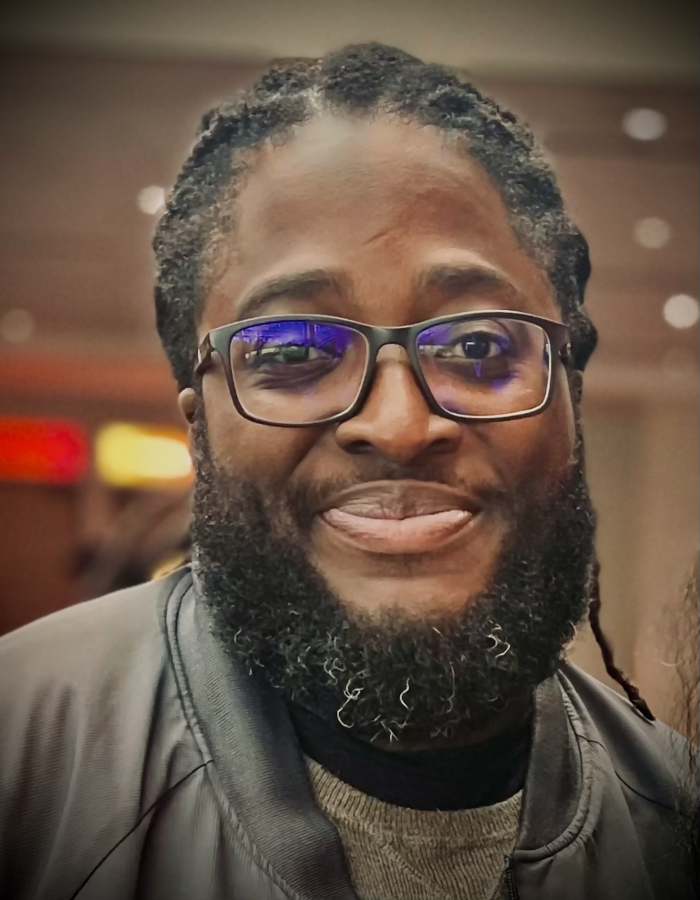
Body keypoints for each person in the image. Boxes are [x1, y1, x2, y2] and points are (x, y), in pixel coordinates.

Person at [0, 44, 694, 900]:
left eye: (478, 345)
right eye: (293, 351)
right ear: (199, 426)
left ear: (569, 405)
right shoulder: (21, 760)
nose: (399, 426)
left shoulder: (678, 823)